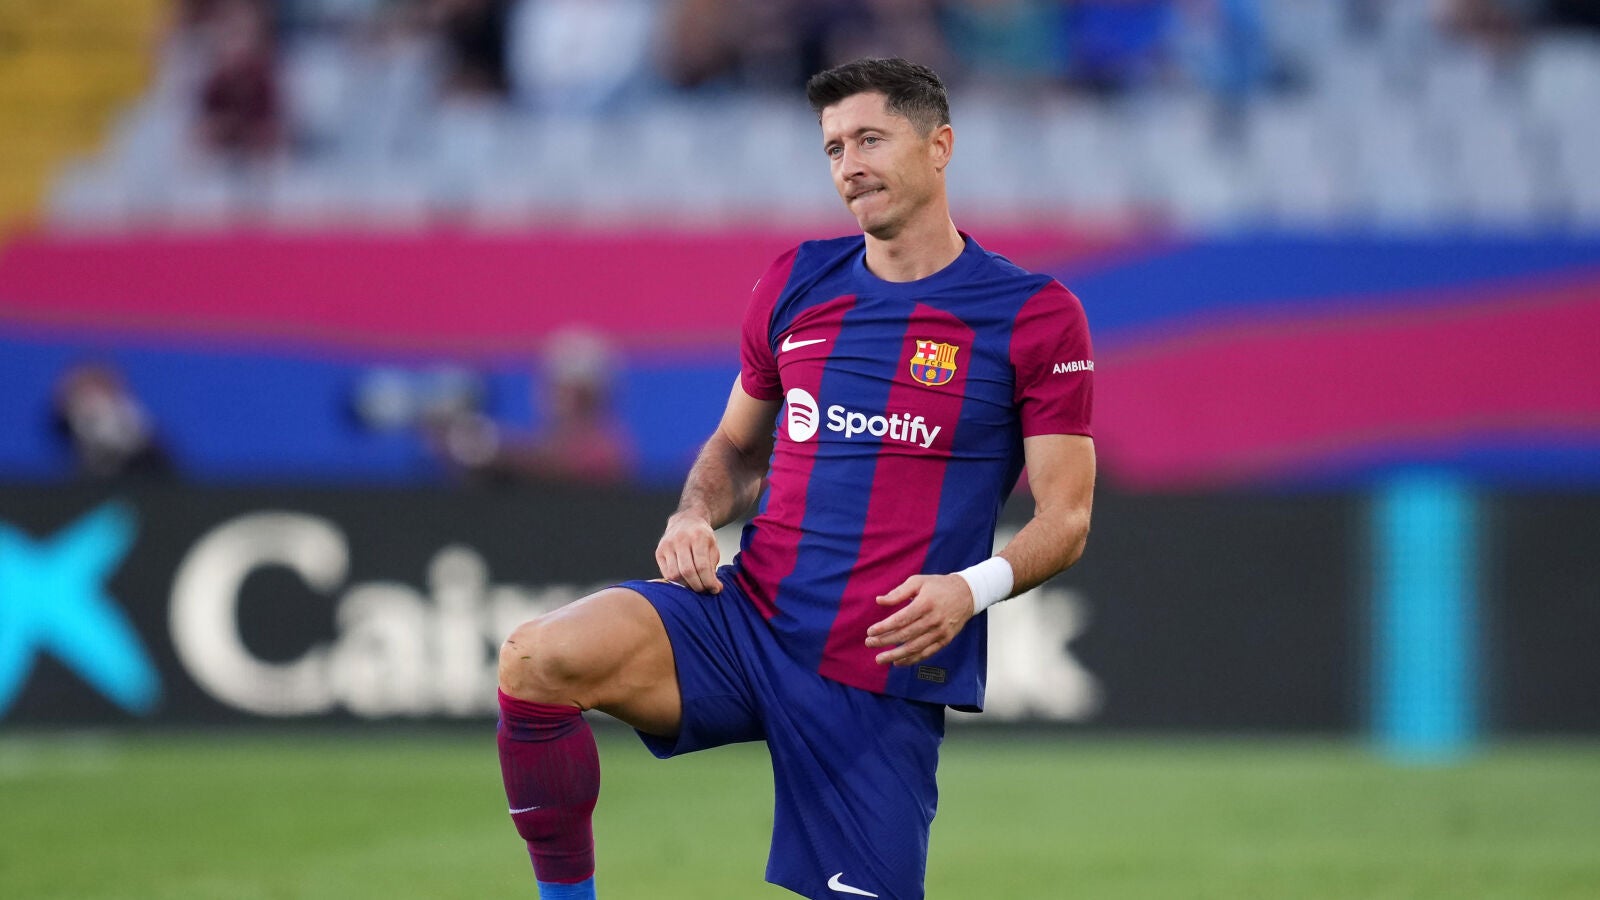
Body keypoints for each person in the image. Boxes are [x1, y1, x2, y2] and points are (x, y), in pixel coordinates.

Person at [495, 57, 1096, 900]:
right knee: (536, 658)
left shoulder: (1032, 314)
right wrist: (693, 514)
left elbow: (1066, 518)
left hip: (878, 663)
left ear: (940, 147)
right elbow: (738, 450)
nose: (849, 165)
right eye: (834, 148)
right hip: (747, 619)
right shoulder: (797, 281)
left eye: (870, 139)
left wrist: (970, 590)